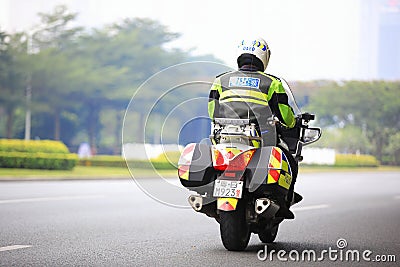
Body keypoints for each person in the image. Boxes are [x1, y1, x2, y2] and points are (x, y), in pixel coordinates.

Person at [208, 37, 298, 218]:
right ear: (264, 57)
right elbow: (284, 114)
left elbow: (212, 111)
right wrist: (292, 123)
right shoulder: (272, 83)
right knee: (290, 161)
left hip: (225, 137)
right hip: (261, 138)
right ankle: (282, 202)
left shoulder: (220, 80)